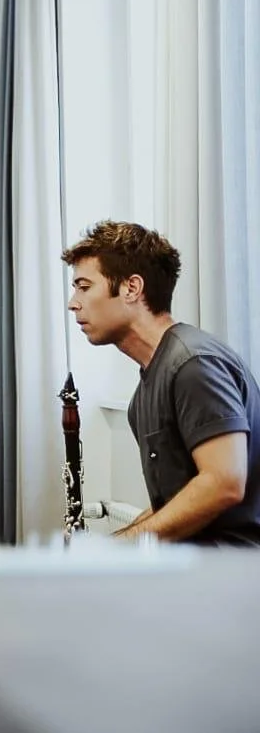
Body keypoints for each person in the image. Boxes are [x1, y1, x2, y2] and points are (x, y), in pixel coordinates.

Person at [63, 221, 260, 546]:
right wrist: (106, 546)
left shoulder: (193, 364)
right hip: (194, 561)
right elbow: (173, 506)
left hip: (234, 566)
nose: (73, 302)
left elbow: (225, 483)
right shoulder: (144, 394)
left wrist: (116, 550)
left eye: (84, 287)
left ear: (131, 288)